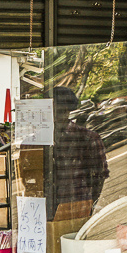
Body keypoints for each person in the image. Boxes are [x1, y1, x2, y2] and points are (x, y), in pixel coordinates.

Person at [48, 86, 109, 220]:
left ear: (67, 110)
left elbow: (99, 177)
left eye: (60, 110)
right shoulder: (38, 141)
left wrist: (88, 206)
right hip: (44, 210)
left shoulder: (89, 139)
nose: (56, 115)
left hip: (77, 208)